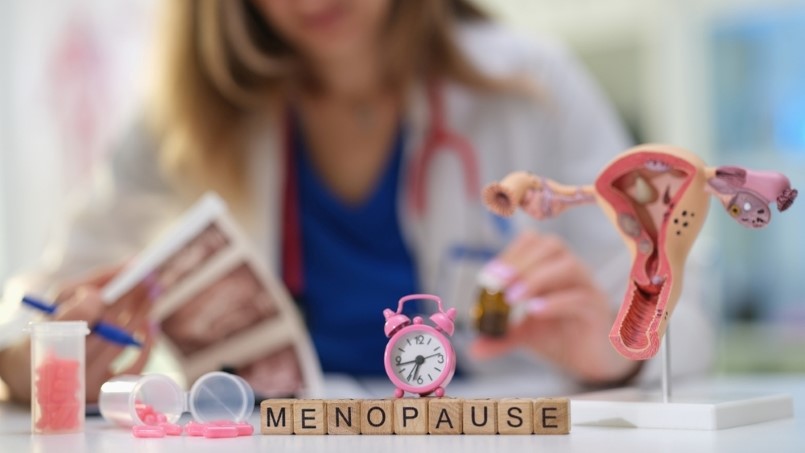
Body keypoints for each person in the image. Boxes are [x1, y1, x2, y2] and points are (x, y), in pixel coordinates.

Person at [0, 0, 713, 402]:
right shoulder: (181, 123)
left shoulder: (533, 86)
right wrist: (47, 357)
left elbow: (691, 312)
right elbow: (27, 310)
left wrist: (615, 351)